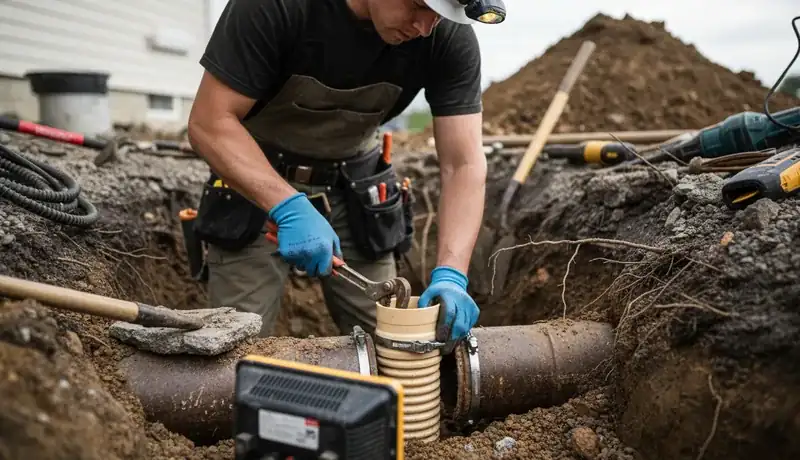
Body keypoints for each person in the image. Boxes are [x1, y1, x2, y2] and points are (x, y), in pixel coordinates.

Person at [186, 0, 505, 351]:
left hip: (355, 186)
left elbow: (463, 164)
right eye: (417, 5)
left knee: (394, 343)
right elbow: (209, 123)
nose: (425, 27)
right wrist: (287, 205)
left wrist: (452, 274)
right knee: (236, 346)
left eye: (438, 15)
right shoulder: (276, 7)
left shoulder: (446, 33)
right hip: (253, 180)